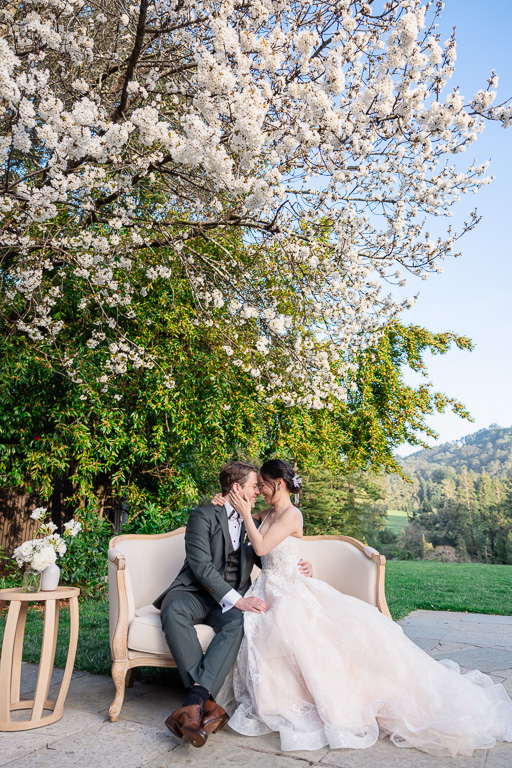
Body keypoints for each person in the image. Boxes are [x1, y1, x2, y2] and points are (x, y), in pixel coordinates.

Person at [216, 458, 512, 758]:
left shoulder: (292, 514)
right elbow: (247, 521)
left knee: (292, 627)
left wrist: (251, 521)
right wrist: (228, 502)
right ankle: (275, 701)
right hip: (271, 587)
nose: (261, 491)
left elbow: (263, 547)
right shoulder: (270, 511)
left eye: (263, 485)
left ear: (278, 484)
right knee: (268, 626)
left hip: (289, 589)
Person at [153, 460, 312, 748]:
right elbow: (201, 567)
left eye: (260, 486)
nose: (257, 492)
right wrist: (239, 600)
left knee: (240, 623)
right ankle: (204, 701)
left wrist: (300, 566)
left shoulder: (258, 517)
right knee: (172, 608)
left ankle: (193, 704)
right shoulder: (203, 515)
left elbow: (270, 553)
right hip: (194, 592)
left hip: (230, 600)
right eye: (254, 486)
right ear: (237, 488)